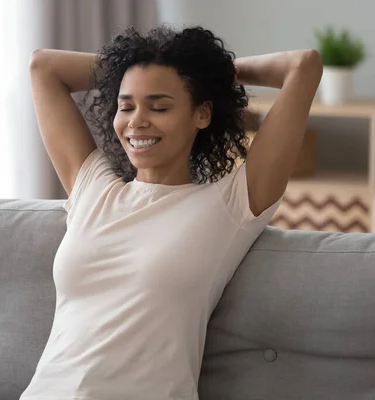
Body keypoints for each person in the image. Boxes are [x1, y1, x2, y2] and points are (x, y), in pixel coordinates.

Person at [20, 24, 322, 400]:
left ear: (202, 113)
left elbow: (303, 67)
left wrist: (211, 72)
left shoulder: (230, 205)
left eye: (159, 106)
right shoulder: (93, 190)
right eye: (126, 105)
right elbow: (42, 67)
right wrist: (141, 66)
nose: (136, 121)